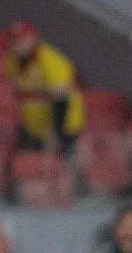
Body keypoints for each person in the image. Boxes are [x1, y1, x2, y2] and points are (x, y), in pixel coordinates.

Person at [6, 20, 85, 153]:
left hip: (64, 128)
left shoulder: (52, 60)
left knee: (63, 165)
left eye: (21, 40)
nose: (17, 45)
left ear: (33, 39)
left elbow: (61, 99)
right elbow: (21, 91)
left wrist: (58, 134)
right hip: (36, 127)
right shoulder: (14, 59)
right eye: (14, 40)